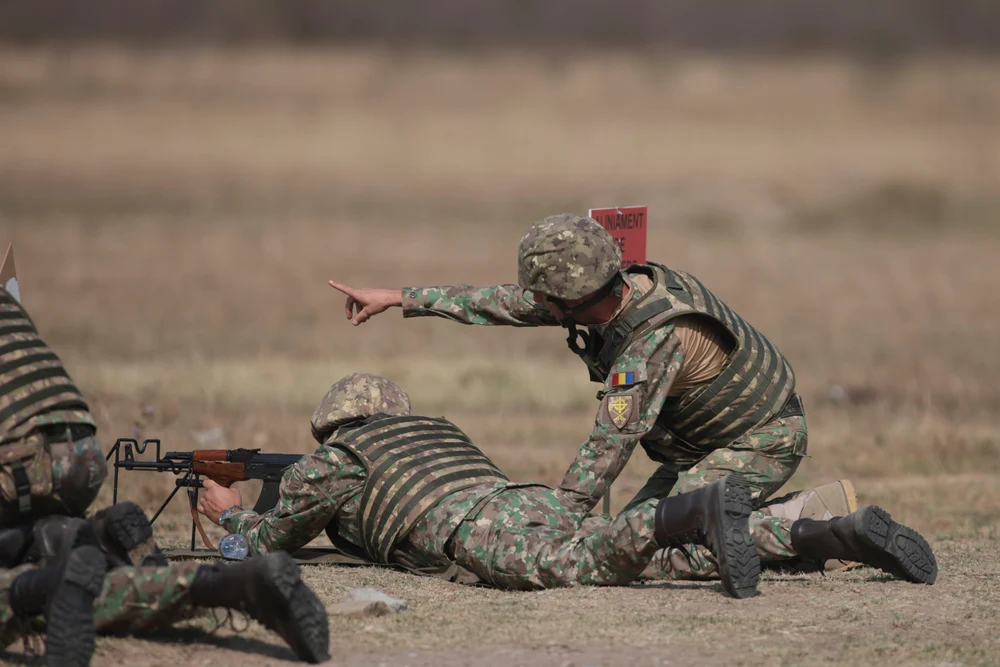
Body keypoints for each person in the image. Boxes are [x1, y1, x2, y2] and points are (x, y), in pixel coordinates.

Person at [325, 214, 937, 585]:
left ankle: (816, 527)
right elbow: (502, 303)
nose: (538, 306)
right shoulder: (625, 281)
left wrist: (555, 528)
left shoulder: (652, 343)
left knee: (651, 543)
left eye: (548, 300)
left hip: (759, 442)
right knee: (630, 534)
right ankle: (816, 524)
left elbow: (608, 447)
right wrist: (401, 297)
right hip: (701, 444)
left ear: (573, 298)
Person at [197, 373, 935, 601]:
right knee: (648, 562)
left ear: (333, 424)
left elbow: (272, 541)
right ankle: (819, 532)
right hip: (530, 498)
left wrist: (228, 518)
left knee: (592, 563)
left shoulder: (337, 456)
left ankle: (692, 509)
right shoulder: (434, 429)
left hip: (477, 530)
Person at [0, 284, 330, 665]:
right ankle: (215, 583)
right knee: (48, 553)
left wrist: (233, 516)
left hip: (15, 457)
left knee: (53, 582)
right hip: (78, 445)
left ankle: (40, 588)